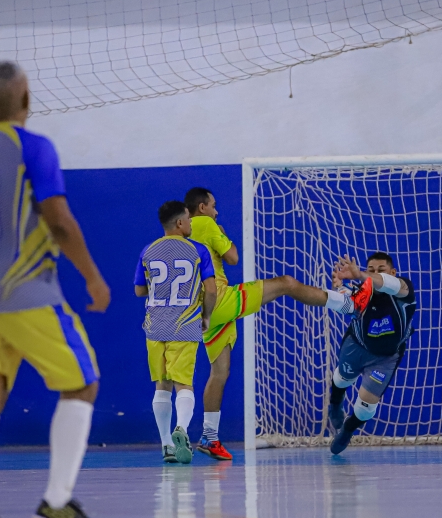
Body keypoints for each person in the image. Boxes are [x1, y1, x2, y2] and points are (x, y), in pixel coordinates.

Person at [0, 61, 109, 518]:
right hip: (27, 290)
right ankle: (57, 503)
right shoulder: (34, 147)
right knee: (83, 383)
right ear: (26, 99)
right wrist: (93, 278)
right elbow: (59, 220)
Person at [185, 186, 355, 460]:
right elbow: (233, 257)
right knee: (287, 283)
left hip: (202, 309)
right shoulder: (205, 223)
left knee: (219, 372)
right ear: (202, 207)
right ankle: (344, 304)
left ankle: (209, 436)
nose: (216, 212)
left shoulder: (185, 232)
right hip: (220, 299)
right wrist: (223, 234)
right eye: (213, 206)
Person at [134, 201, 218, 465]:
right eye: (189, 219)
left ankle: (166, 445)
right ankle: (181, 427)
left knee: (162, 386)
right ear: (180, 223)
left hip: (155, 325)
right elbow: (211, 289)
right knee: (184, 384)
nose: (191, 223)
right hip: (185, 324)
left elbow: (139, 290)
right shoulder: (198, 250)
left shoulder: (148, 250)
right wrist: (206, 316)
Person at [327, 253, 417, 455]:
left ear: (393, 272)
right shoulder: (361, 292)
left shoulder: (404, 289)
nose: (375, 274)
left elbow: (387, 284)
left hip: (386, 358)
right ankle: (335, 403)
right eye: (371, 270)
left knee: (365, 409)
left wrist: (361, 274)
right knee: (341, 379)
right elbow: (345, 302)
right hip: (356, 345)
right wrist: (339, 287)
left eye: (381, 270)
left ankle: (348, 429)